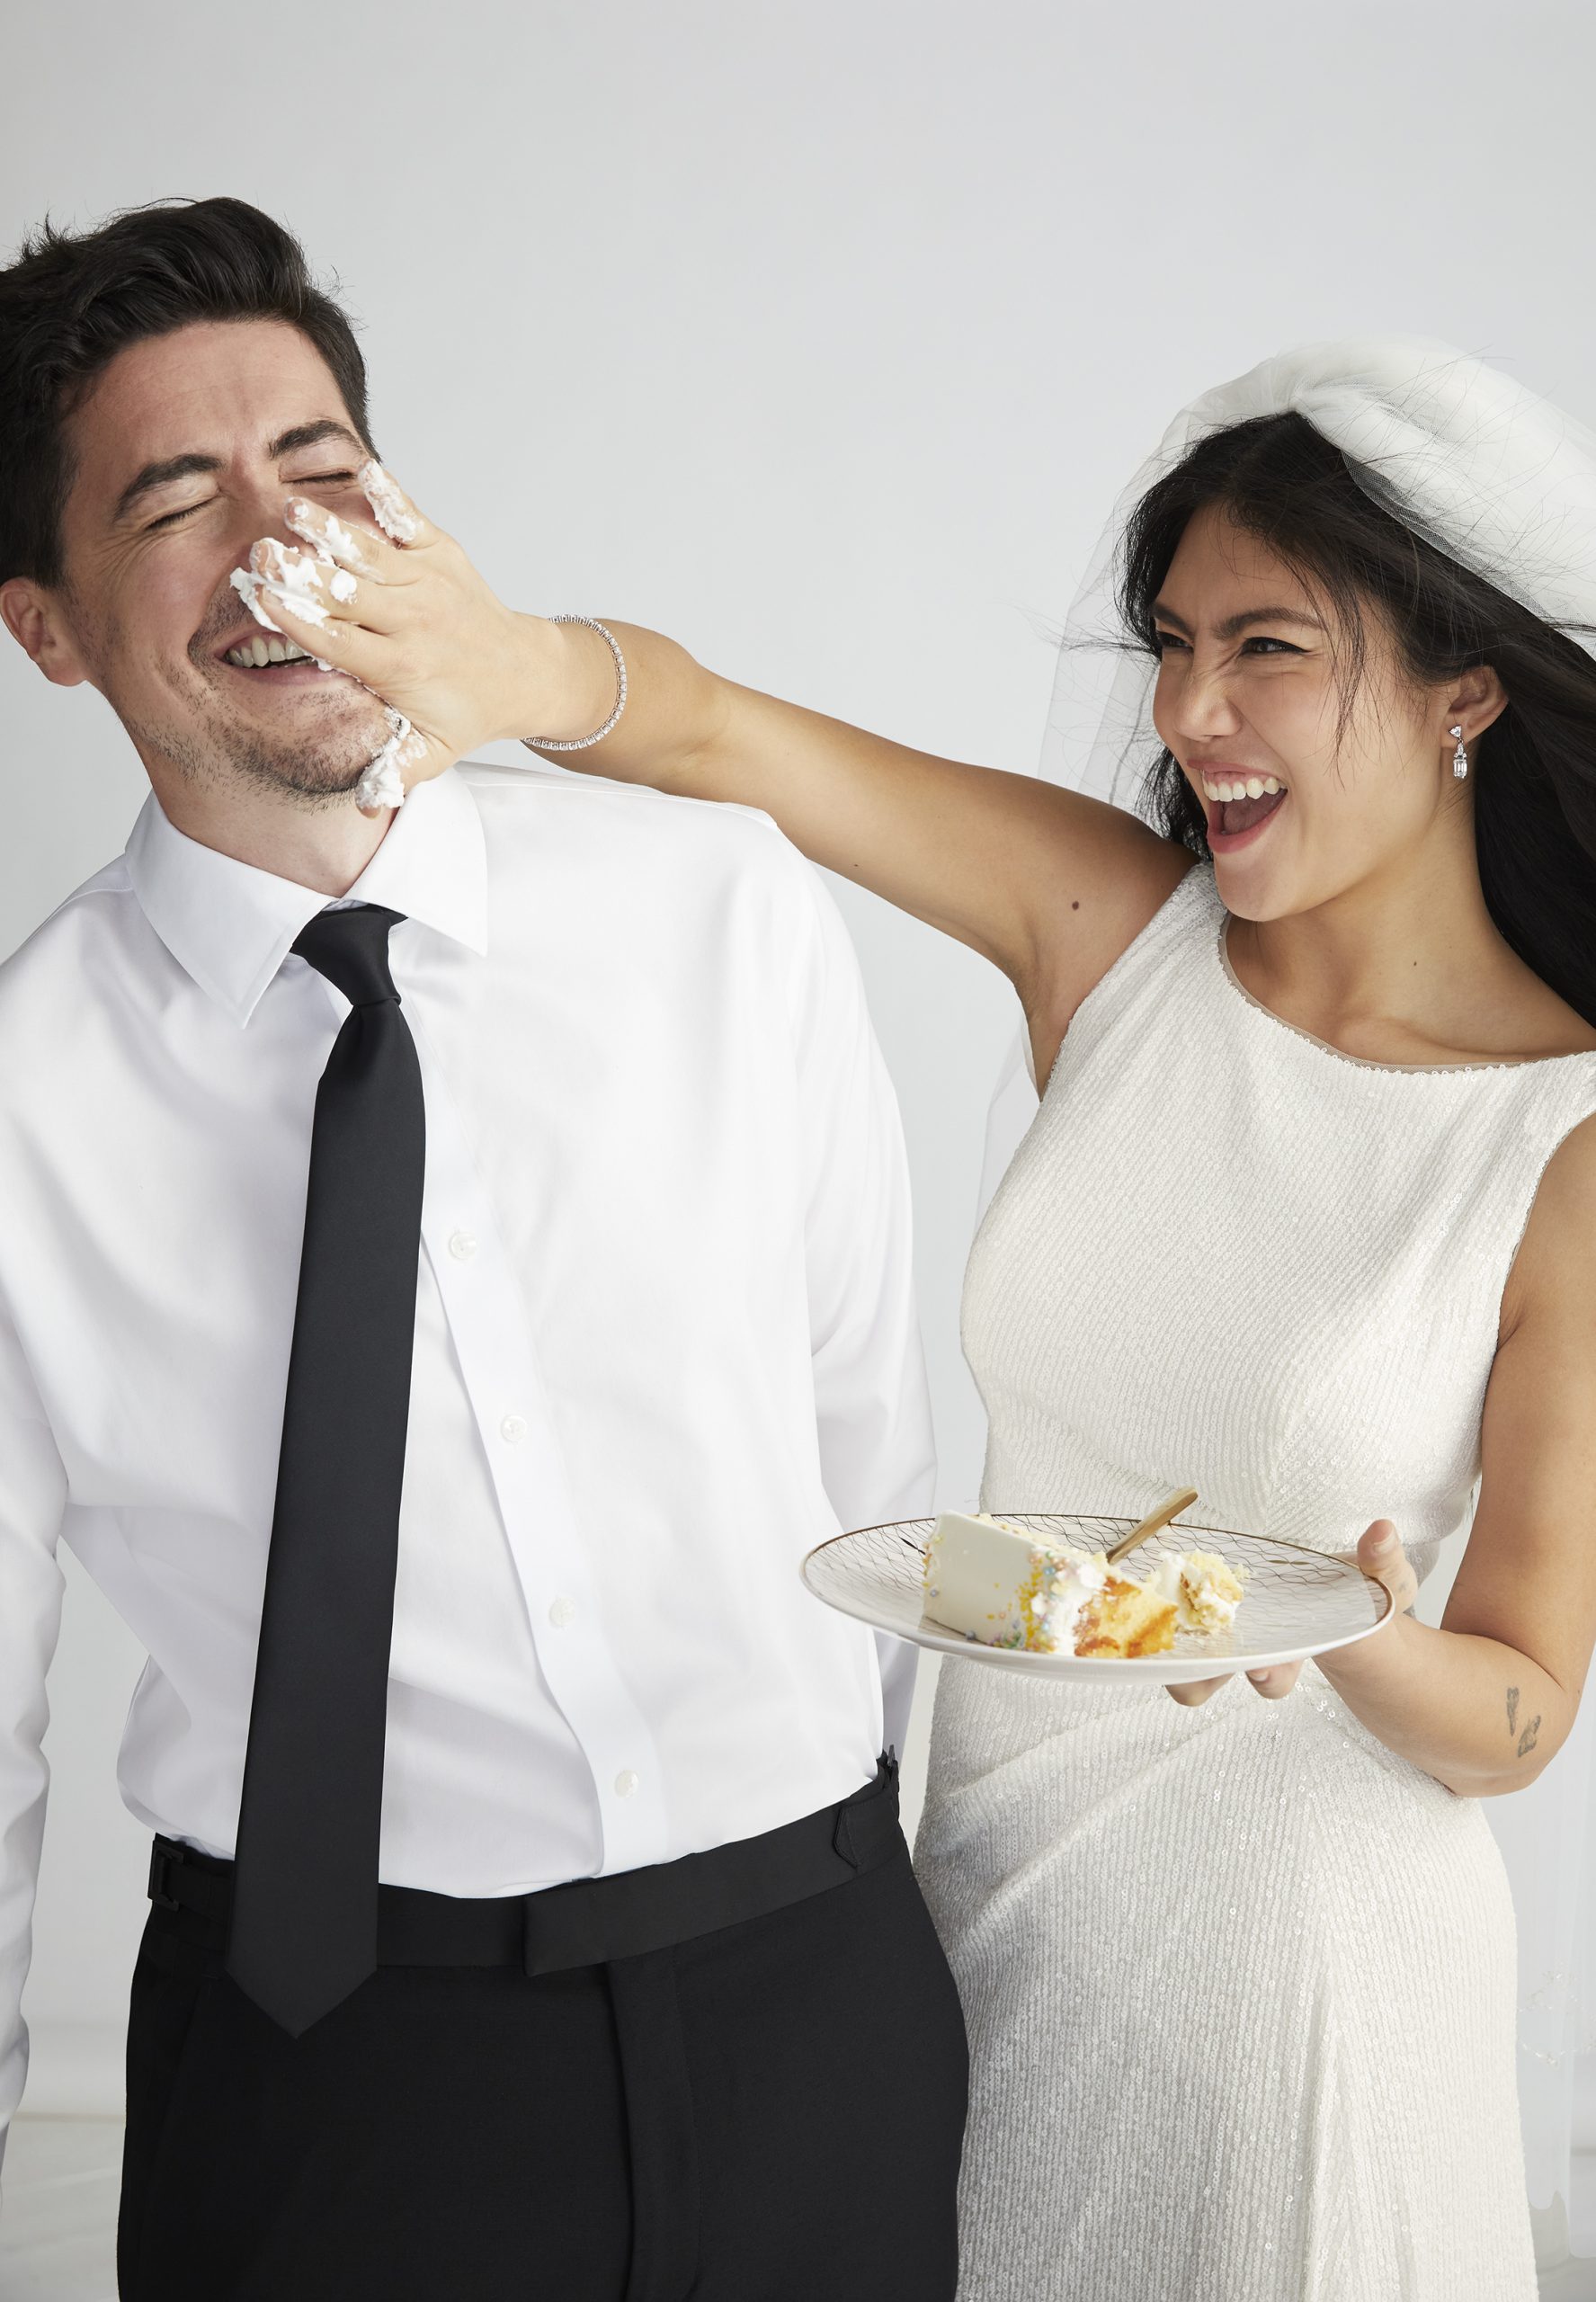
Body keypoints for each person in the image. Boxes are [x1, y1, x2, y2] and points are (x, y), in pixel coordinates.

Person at [343, 339, 1596, 2298]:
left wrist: (1360, 1631)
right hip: (987, 1903)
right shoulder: (1114, 936)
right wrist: (518, 663)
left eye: (1268, 646)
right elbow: (728, 740)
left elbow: (1522, 1703)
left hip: (1310, 1977)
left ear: (1469, 686)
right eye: (1173, 643)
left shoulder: (1562, 1141)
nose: (1192, 710)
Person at [0, 195, 968, 2302]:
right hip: (338, 2079)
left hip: (812, 1999)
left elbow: (870, 1485)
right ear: (49, 626)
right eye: (179, 498)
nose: (283, 547)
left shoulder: (723, 911)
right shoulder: (22, 1103)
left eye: (329, 474)